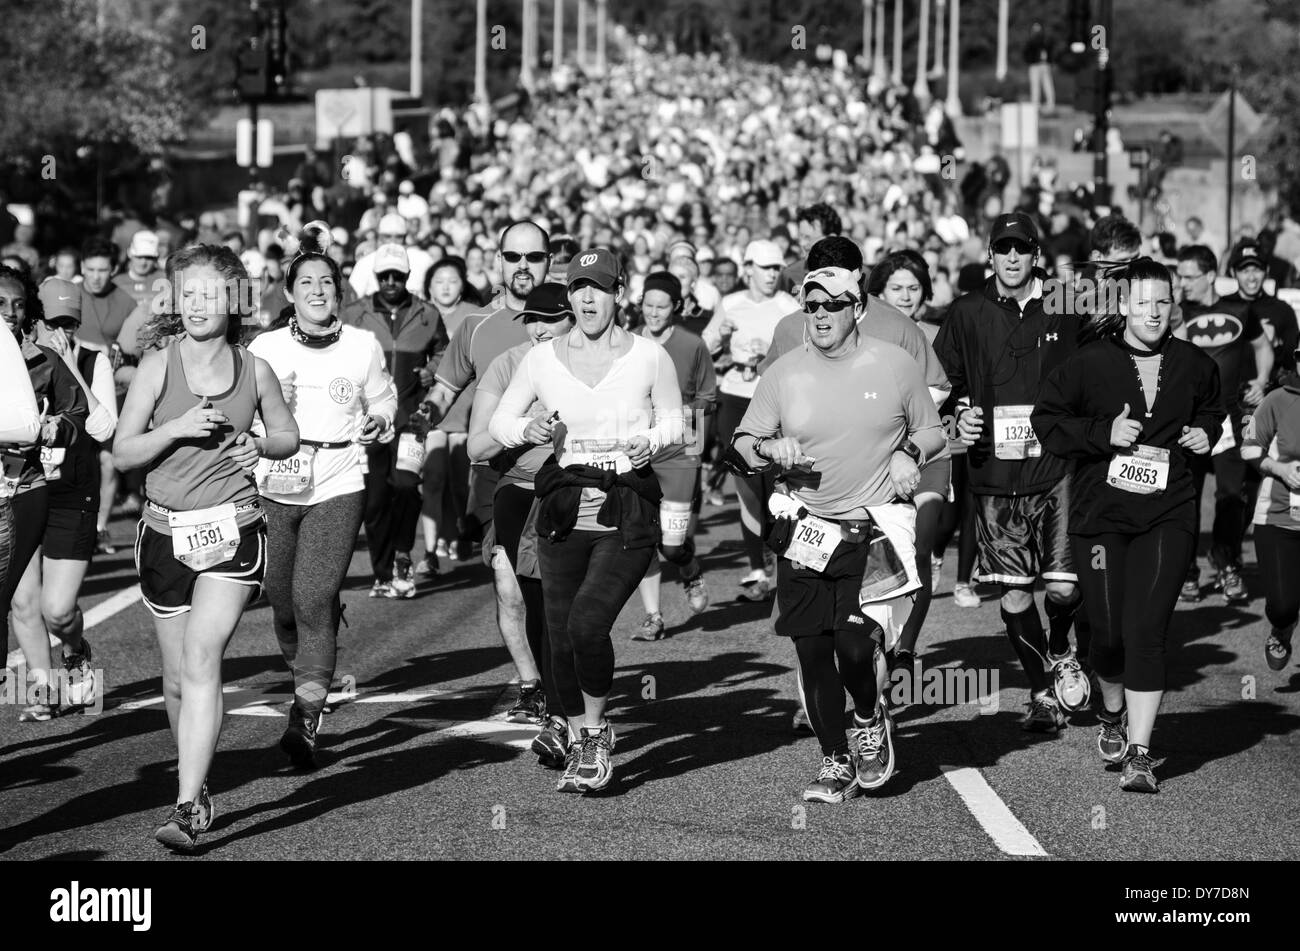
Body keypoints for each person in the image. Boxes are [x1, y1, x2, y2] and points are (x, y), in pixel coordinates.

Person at [730, 265, 946, 802]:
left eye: (832, 305)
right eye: (812, 305)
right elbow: (741, 441)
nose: (821, 314)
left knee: (854, 645)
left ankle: (870, 720)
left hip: (871, 528)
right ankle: (834, 758)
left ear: (857, 308)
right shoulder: (783, 373)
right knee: (812, 652)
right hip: (804, 527)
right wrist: (766, 450)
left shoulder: (893, 363)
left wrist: (908, 452)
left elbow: (931, 429)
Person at [114, 245, 298, 851]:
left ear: (234, 301)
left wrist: (262, 448)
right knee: (175, 680)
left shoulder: (255, 369)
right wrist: (175, 428)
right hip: (164, 532)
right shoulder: (157, 366)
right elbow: (123, 452)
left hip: (233, 528)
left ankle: (189, 804)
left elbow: (286, 433)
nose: (197, 305)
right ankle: (197, 779)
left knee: (201, 658)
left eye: (210, 294)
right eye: (187, 293)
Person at [488, 248, 683, 793]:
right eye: (578, 288)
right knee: (559, 636)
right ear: (569, 297)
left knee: (586, 624)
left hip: (627, 509)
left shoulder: (648, 357)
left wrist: (652, 439)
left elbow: (675, 420)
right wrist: (523, 432)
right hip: (563, 512)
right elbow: (503, 418)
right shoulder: (542, 358)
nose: (588, 298)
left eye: (599, 287)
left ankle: (595, 736)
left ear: (620, 292)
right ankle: (579, 734)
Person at [1033, 258, 1224, 792]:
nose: (1153, 313)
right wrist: (1101, 432)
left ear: (1174, 305)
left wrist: (1206, 431)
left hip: (1169, 512)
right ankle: (1112, 713)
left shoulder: (1193, 363)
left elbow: (1213, 407)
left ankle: (1140, 752)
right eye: (1142, 302)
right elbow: (1045, 421)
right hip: (1101, 518)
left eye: (1162, 302)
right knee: (1110, 636)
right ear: (1122, 306)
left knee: (1148, 630)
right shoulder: (1088, 363)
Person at [934, 212, 1090, 731]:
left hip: (1057, 466)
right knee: (1017, 593)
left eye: (1021, 248)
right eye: (1002, 249)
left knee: (1064, 588)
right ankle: (1043, 690)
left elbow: (1101, 370)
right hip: (995, 472)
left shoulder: (1067, 306)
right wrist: (959, 414)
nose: (1011, 257)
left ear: (1036, 254)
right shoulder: (967, 311)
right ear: (991, 255)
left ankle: (1062, 643)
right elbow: (941, 384)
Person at [250, 231, 397, 768]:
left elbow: (384, 401)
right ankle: (306, 670)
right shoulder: (264, 348)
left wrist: (380, 421)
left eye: (326, 283)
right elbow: (240, 413)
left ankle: (305, 718)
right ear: (288, 292)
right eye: (306, 283)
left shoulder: (361, 345)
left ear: (339, 292)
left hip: (338, 477)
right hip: (273, 482)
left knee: (312, 598)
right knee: (282, 601)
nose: (317, 290)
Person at [426, 221, 540, 722]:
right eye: (512, 257)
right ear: (498, 261)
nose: (522, 267)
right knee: (508, 581)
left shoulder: (572, 320)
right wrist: (410, 424)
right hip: (498, 471)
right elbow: (444, 391)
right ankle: (532, 684)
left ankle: (562, 676)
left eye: (533, 257)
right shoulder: (476, 326)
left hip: (564, 472)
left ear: (548, 261)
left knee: (556, 589)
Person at [467, 282, 576, 759]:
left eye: (549, 319)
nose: (538, 328)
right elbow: (477, 448)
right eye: (531, 318)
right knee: (540, 604)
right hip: (522, 494)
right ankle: (557, 714)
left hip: (583, 490)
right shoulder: (508, 364)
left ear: (572, 318)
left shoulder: (594, 360)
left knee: (580, 612)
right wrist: (520, 428)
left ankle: (578, 708)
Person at [7, 280, 116, 720]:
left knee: (58, 609)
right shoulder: (14, 359)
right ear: (38, 321)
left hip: (72, 490)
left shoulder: (85, 359)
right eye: (52, 322)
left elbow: (100, 426)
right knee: (22, 600)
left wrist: (60, 420)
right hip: (21, 489)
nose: (61, 330)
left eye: (69, 322)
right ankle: (41, 689)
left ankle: (76, 649)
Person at [341, 242, 448, 598]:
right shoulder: (354, 313)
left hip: (410, 418)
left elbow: (443, 351)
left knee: (404, 486)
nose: (390, 281)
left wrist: (430, 371)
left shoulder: (427, 313)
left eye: (396, 276)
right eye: (384, 275)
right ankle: (382, 573)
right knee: (374, 501)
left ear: (406, 277)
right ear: (376, 277)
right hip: (367, 423)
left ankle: (403, 553)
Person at [701, 239, 798, 601]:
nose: (773, 274)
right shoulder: (730, 303)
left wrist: (772, 359)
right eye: (766, 268)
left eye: (777, 268)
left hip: (774, 399)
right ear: (749, 269)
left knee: (776, 484)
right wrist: (720, 337)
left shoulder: (788, 305)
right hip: (734, 396)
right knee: (745, 483)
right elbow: (706, 345)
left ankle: (784, 558)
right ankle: (757, 569)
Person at [1176, 245, 1272, 603]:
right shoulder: (1174, 312)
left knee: (1231, 496)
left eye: (1189, 276)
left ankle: (1227, 563)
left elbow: (1263, 346)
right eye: (1180, 276)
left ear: (1210, 275)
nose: (1182, 283)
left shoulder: (1238, 309)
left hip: (1228, 420)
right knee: (1186, 499)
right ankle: (1186, 572)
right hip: (1186, 421)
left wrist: (1261, 380)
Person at [632, 272, 716, 640]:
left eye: (661, 306)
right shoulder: (628, 341)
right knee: (641, 538)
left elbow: (709, 398)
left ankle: (690, 567)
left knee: (671, 545)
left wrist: (684, 409)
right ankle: (653, 617)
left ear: (676, 308)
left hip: (680, 451)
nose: (653, 313)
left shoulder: (692, 344)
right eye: (647, 305)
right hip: (638, 449)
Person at [78, 238, 143, 555]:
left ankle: (100, 528)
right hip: (73, 392)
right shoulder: (70, 295)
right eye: (90, 269)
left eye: (103, 270)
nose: (96, 276)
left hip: (112, 394)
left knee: (107, 462)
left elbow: (134, 350)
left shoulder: (127, 303)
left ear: (113, 270)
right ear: (82, 268)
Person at [418, 256, 481, 572]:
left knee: (460, 484)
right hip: (426, 410)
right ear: (428, 286)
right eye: (439, 281)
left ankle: (462, 533)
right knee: (432, 479)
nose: (445, 287)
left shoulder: (473, 315)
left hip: (465, 408)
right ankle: (429, 553)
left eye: (452, 281)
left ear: (463, 284)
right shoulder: (420, 315)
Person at [1241, 352, 1300, 671]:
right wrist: (1280, 468)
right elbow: (1249, 447)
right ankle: (1283, 625)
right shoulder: (1278, 399)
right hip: (1277, 517)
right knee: (1282, 606)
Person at [1222, 240, 1299, 392]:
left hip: (1269, 394)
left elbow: (1293, 363)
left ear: (1267, 270)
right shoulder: (1223, 306)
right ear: (1232, 272)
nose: (1252, 277)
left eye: (1257, 269)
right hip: (1228, 395)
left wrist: (1276, 343)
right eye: (1244, 270)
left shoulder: (1282, 310)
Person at [348, 214, 436, 299]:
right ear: (379, 237)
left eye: (398, 237)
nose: (393, 241)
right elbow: (352, 300)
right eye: (388, 236)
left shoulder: (423, 259)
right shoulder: (365, 263)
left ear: (405, 237)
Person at [1024, 22, 1057, 113]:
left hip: (1045, 65)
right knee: (1035, 86)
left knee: (1048, 85)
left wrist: (1050, 62)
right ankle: (1035, 106)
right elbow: (1027, 54)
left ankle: (1050, 105)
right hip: (1034, 65)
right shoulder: (1030, 42)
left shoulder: (1045, 41)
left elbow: (1050, 50)